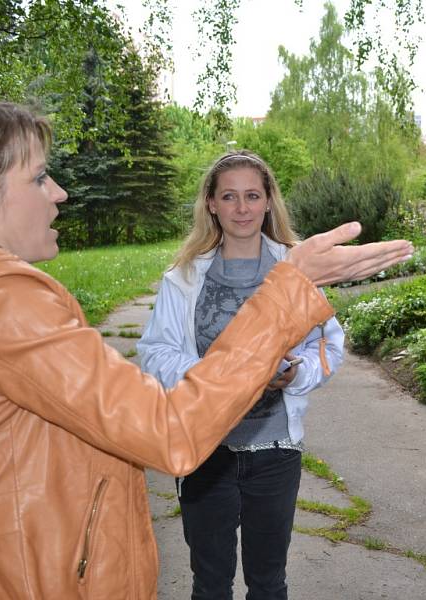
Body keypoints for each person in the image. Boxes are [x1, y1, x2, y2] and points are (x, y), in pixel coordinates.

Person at [0, 99, 413, 599]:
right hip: (12, 575)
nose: (60, 193)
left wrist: (292, 363)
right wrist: (288, 293)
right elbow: (169, 430)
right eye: (40, 177)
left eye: (253, 196)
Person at [138, 151, 344, 600]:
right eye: (229, 197)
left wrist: (297, 373)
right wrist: (222, 373)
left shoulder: (295, 269)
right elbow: (155, 354)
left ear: (269, 201)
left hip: (275, 452)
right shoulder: (185, 277)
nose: (242, 208)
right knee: (210, 584)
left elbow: (328, 345)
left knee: (268, 584)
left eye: (252, 195)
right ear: (211, 204)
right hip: (206, 450)